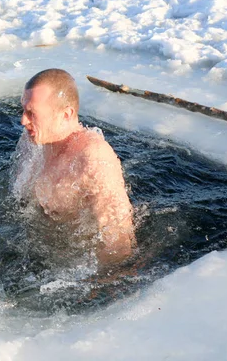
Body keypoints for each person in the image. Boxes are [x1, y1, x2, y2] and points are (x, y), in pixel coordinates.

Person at [13, 68, 135, 270]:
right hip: (32, 249)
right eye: (23, 110)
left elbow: (118, 242)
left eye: (32, 113)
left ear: (66, 114)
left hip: (71, 265)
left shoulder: (93, 158)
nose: (23, 121)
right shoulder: (35, 140)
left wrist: (102, 285)